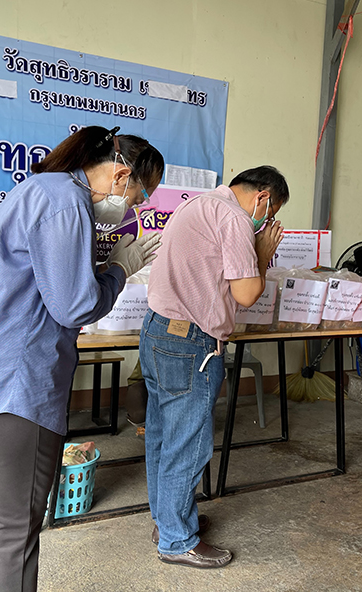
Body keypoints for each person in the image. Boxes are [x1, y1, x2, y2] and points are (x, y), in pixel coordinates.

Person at [0, 126, 164, 591]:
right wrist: (120, 269)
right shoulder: (63, 202)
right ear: (121, 175)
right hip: (10, 389)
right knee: (14, 530)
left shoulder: (47, 191)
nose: (137, 206)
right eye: (141, 193)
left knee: (2, 526)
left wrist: (104, 258)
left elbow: (48, 280)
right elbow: (74, 305)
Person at [140, 166, 288, 568]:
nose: (266, 222)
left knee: (163, 434)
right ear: (262, 197)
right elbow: (246, 292)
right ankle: (176, 541)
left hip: (157, 331)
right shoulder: (236, 218)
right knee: (188, 441)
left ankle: (167, 521)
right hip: (191, 342)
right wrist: (261, 252)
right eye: (270, 212)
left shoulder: (201, 205)